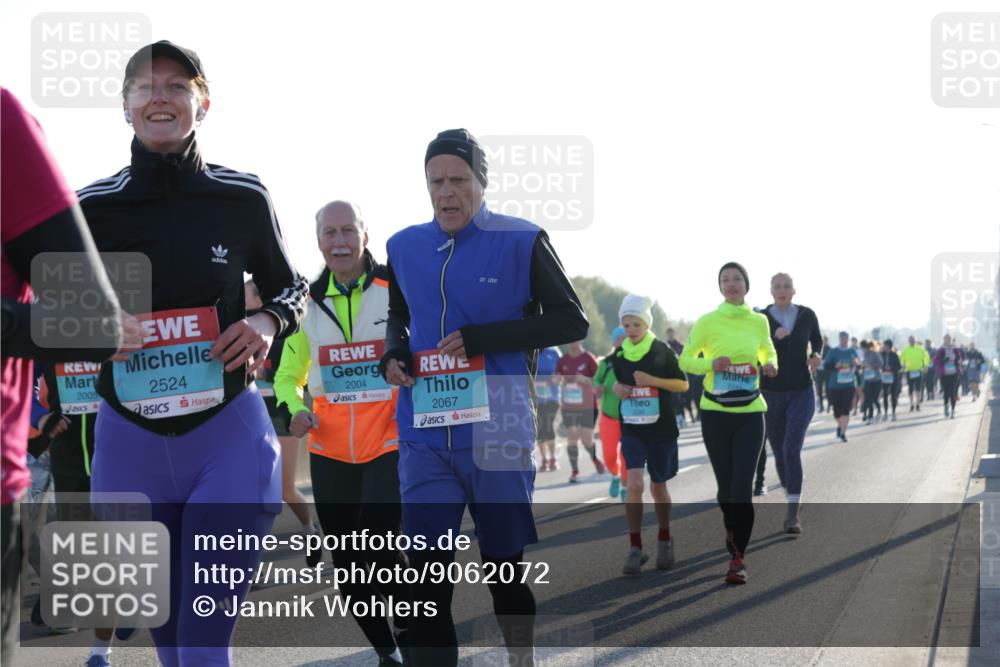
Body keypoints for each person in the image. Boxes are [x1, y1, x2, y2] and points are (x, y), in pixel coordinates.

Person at [78, 42, 308, 667]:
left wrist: (266, 318)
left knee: (205, 649)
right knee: (174, 650)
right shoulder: (89, 209)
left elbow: (291, 286)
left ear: (201, 104)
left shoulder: (243, 198)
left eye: (177, 86)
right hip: (129, 448)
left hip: (227, 438)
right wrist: (93, 326)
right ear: (125, 106)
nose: (160, 97)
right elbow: (45, 314)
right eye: (145, 87)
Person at [380, 128, 588, 667]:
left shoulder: (523, 240)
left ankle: (521, 656)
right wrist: (394, 351)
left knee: (502, 568)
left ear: (481, 182)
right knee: (425, 576)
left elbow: (572, 318)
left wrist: (484, 337)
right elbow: (399, 313)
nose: (446, 193)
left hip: (499, 423)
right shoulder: (402, 245)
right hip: (426, 425)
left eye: (458, 180)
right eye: (435, 182)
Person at [1, 87, 122, 667]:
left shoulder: (3, 122)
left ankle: (108, 617)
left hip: (97, 431)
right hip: (54, 432)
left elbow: (95, 324)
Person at [273, 201, 408, 666]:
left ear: (365, 235)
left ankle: (412, 625)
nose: (340, 240)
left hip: (390, 441)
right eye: (329, 232)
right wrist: (294, 409)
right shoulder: (305, 302)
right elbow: (286, 377)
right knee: (350, 571)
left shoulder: (397, 286)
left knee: (379, 545)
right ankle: (387, 651)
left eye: (348, 230)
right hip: (331, 451)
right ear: (319, 241)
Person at [678, 262, 777, 585]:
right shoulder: (708, 322)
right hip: (716, 412)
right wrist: (711, 363)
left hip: (750, 412)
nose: (731, 284)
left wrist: (770, 363)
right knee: (725, 489)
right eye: (725, 280)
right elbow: (685, 360)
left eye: (737, 279)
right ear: (720, 287)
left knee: (741, 489)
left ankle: (738, 557)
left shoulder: (759, 321)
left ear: (746, 285)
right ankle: (732, 533)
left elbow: (767, 350)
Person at [610, 295, 688, 576]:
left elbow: (682, 385)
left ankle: (665, 539)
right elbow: (617, 386)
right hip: (632, 428)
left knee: (658, 486)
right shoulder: (619, 355)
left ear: (646, 324)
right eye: (626, 324)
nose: (631, 329)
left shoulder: (662, 350)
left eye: (636, 324)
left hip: (661, 429)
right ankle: (635, 547)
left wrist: (654, 381)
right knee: (633, 484)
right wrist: (618, 390)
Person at [245, 280, 318, 566]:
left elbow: (294, 373)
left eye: (247, 297)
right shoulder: (237, 324)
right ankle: (251, 559)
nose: (242, 302)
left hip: (283, 413)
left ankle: (308, 529)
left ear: (260, 299)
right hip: (252, 413)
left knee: (284, 488)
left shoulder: (284, 325)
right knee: (252, 488)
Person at [760, 272, 823, 533]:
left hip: (801, 391)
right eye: (777, 286)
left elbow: (817, 340)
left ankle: (792, 513)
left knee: (790, 448)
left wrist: (817, 354)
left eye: (787, 286)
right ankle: (793, 495)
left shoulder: (807, 315)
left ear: (794, 291)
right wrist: (770, 349)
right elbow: (754, 347)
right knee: (779, 453)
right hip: (771, 393)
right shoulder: (761, 318)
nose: (782, 290)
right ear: (771, 291)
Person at [557, 340, 606, 482]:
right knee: (572, 436)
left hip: (588, 406)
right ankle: (574, 471)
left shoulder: (588, 358)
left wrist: (586, 380)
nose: (571, 342)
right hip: (569, 406)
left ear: (581, 340)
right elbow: (556, 377)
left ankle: (595, 459)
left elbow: (600, 380)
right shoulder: (563, 360)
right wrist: (555, 380)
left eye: (575, 339)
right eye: (569, 339)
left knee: (587, 439)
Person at [594, 326, 627, 500]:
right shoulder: (606, 363)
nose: (622, 341)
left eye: (625, 338)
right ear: (614, 342)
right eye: (618, 338)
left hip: (629, 417)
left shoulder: (633, 360)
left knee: (627, 456)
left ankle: (625, 486)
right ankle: (615, 476)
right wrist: (597, 387)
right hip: (608, 416)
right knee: (609, 456)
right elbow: (596, 380)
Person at [823, 331, 860, 442]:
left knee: (846, 409)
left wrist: (856, 363)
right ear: (839, 338)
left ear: (848, 339)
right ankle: (840, 425)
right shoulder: (833, 351)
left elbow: (858, 364)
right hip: (835, 385)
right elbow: (826, 366)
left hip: (849, 384)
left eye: (846, 338)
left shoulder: (852, 351)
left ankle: (843, 433)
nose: (844, 340)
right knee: (836, 412)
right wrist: (835, 366)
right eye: (842, 338)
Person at [535, 345, 562, 471]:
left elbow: (562, 371)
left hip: (552, 397)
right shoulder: (531, 349)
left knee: (548, 424)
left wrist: (554, 380)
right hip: (536, 398)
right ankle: (544, 459)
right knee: (540, 427)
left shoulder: (554, 351)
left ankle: (553, 458)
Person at [935, 334, 964, 419]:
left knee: (953, 392)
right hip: (944, 374)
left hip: (954, 373)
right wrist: (943, 360)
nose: (947, 341)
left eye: (949, 339)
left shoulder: (955, 349)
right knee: (946, 393)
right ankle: (946, 407)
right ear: (944, 340)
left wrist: (958, 361)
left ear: (951, 340)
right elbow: (936, 361)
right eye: (946, 339)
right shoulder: (941, 350)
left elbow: (960, 359)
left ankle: (952, 411)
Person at [900, 335, 928, 411]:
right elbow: (901, 358)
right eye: (910, 340)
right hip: (909, 371)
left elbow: (926, 357)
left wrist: (925, 366)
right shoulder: (905, 349)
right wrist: (902, 365)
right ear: (908, 341)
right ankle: (911, 404)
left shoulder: (920, 349)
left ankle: (918, 404)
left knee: (918, 388)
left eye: (913, 340)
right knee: (911, 389)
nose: (912, 341)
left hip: (918, 370)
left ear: (915, 341)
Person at [860, 341, 884, 424]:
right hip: (867, 379)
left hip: (876, 379)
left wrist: (872, 365)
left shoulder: (874, 354)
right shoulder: (863, 356)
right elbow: (863, 365)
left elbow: (881, 363)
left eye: (863, 348)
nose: (862, 350)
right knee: (868, 398)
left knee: (874, 398)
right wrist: (862, 367)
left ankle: (879, 411)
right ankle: (870, 417)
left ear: (867, 348)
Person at [880, 340, 902, 421]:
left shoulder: (894, 355)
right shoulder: (881, 354)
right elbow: (879, 364)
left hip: (893, 377)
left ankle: (893, 413)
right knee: (885, 395)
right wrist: (883, 368)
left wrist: (891, 368)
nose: (883, 346)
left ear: (888, 346)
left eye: (885, 345)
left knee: (893, 395)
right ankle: (885, 413)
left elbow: (899, 367)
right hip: (884, 377)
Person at [814, 335, 830, 412]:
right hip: (819, 372)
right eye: (823, 340)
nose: (824, 342)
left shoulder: (830, 349)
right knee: (819, 389)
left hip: (827, 372)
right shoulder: (818, 348)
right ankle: (821, 406)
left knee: (827, 390)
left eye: (825, 340)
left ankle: (829, 405)